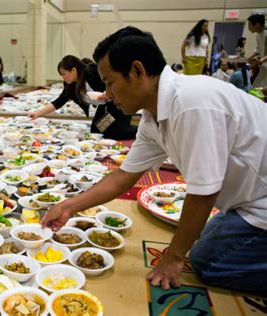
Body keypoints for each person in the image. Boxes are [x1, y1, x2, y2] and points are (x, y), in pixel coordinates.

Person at [42, 26, 267, 298]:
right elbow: (123, 176)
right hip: (245, 202)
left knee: (206, 263)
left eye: (110, 83)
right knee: (202, 240)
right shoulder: (153, 114)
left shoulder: (190, 103)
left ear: (138, 72)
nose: (108, 94)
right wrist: (68, 206)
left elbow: (204, 191)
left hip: (261, 201)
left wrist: (173, 258)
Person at [29, 55, 137, 140]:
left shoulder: (92, 71)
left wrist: (107, 93)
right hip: (105, 107)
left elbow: (113, 81)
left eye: (63, 74)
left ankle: (143, 132)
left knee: (117, 132)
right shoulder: (70, 85)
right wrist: (37, 114)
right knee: (97, 131)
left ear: (73, 70)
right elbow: (58, 102)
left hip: (119, 103)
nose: (62, 77)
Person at [247, 14, 266, 88]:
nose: (248, 27)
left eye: (249, 25)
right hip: (264, 65)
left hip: (264, 63)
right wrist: (250, 57)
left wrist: (262, 60)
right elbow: (259, 49)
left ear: (257, 25)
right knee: (257, 85)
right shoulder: (258, 34)